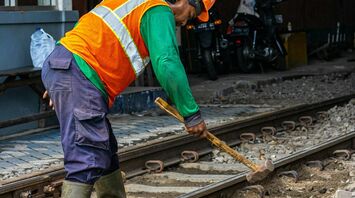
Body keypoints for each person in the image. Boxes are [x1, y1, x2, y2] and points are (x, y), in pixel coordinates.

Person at [41, 0, 215, 197]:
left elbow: (88, 32)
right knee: (86, 157)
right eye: (190, 15)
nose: (184, 23)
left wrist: (61, 80)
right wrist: (191, 114)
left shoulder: (134, 4)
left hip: (66, 64)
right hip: (78, 71)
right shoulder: (157, 9)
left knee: (104, 151)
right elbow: (167, 63)